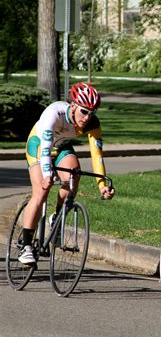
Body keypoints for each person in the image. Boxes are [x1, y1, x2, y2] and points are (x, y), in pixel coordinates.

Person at [19, 82, 115, 265]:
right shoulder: (54, 113)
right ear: (72, 105)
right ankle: (26, 245)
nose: (87, 117)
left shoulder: (93, 124)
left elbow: (97, 156)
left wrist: (102, 185)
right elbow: (45, 149)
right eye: (84, 111)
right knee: (41, 191)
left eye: (92, 112)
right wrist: (48, 175)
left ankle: (57, 217)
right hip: (39, 145)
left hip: (61, 147)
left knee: (73, 175)